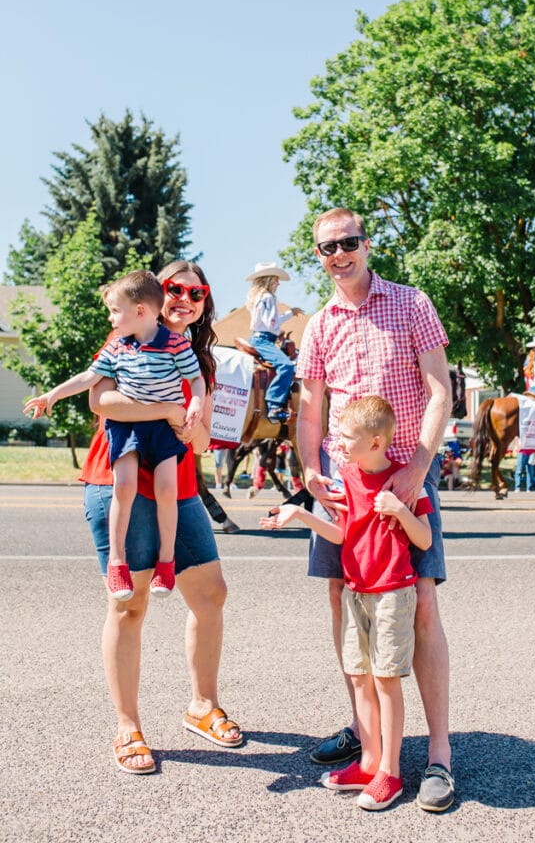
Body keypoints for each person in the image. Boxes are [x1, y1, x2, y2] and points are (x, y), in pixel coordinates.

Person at [296, 206, 455, 813]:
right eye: (326, 247)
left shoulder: (412, 304)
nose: (338, 254)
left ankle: (437, 755)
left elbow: (441, 390)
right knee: (344, 604)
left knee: (421, 607)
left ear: (366, 244)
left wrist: (417, 466)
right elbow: (312, 411)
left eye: (348, 242)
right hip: (342, 485)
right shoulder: (319, 325)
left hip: (405, 475)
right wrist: (310, 471)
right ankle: (370, 743)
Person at [75, 261, 242, 774]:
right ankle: (128, 725)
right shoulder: (127, 333)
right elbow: (101, 401)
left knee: (210, 593)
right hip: (118, 481)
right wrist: (169, 411)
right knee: (131, 604)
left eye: (197, 293)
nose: (185, 299)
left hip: (179, 486)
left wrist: (185, 417)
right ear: (154, 297)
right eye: (175, 290)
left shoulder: (199, 358)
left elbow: (199, 436)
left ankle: (201, 705)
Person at [261, 396, 433, 810]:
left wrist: (399, 510)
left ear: (376, 442)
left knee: (386, 680)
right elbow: (341, 535)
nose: (337, 443)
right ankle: (370, 761)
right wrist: (299, 515)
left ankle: (390, 772)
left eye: (346, 437)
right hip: (356, 592)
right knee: (359, 676)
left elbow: (425, 539)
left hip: (393, 592)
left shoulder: (407, 482)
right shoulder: (347, 477)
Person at [23, 270, 205, 600]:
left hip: (164, 433)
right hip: (128, 428)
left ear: (140, 311)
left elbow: (197, 382)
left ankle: (167, 562)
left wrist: (193, 408)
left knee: (168, 489)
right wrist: (52, 395)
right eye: (175, 289)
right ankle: (117, 563)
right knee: (124, 486)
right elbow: (91, 383)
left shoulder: (179, 345)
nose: (110, 318)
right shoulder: (118, 344)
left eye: (196, 292)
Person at [245, 261, 303, 421]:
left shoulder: (259, 297)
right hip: (264, 340)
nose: (278, 283)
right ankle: (274, 406)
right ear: (269, 280)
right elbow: (272, 323)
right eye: (276, 279)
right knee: (286, 366)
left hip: (258, 337)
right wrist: (288, 315)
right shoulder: (268, 297)